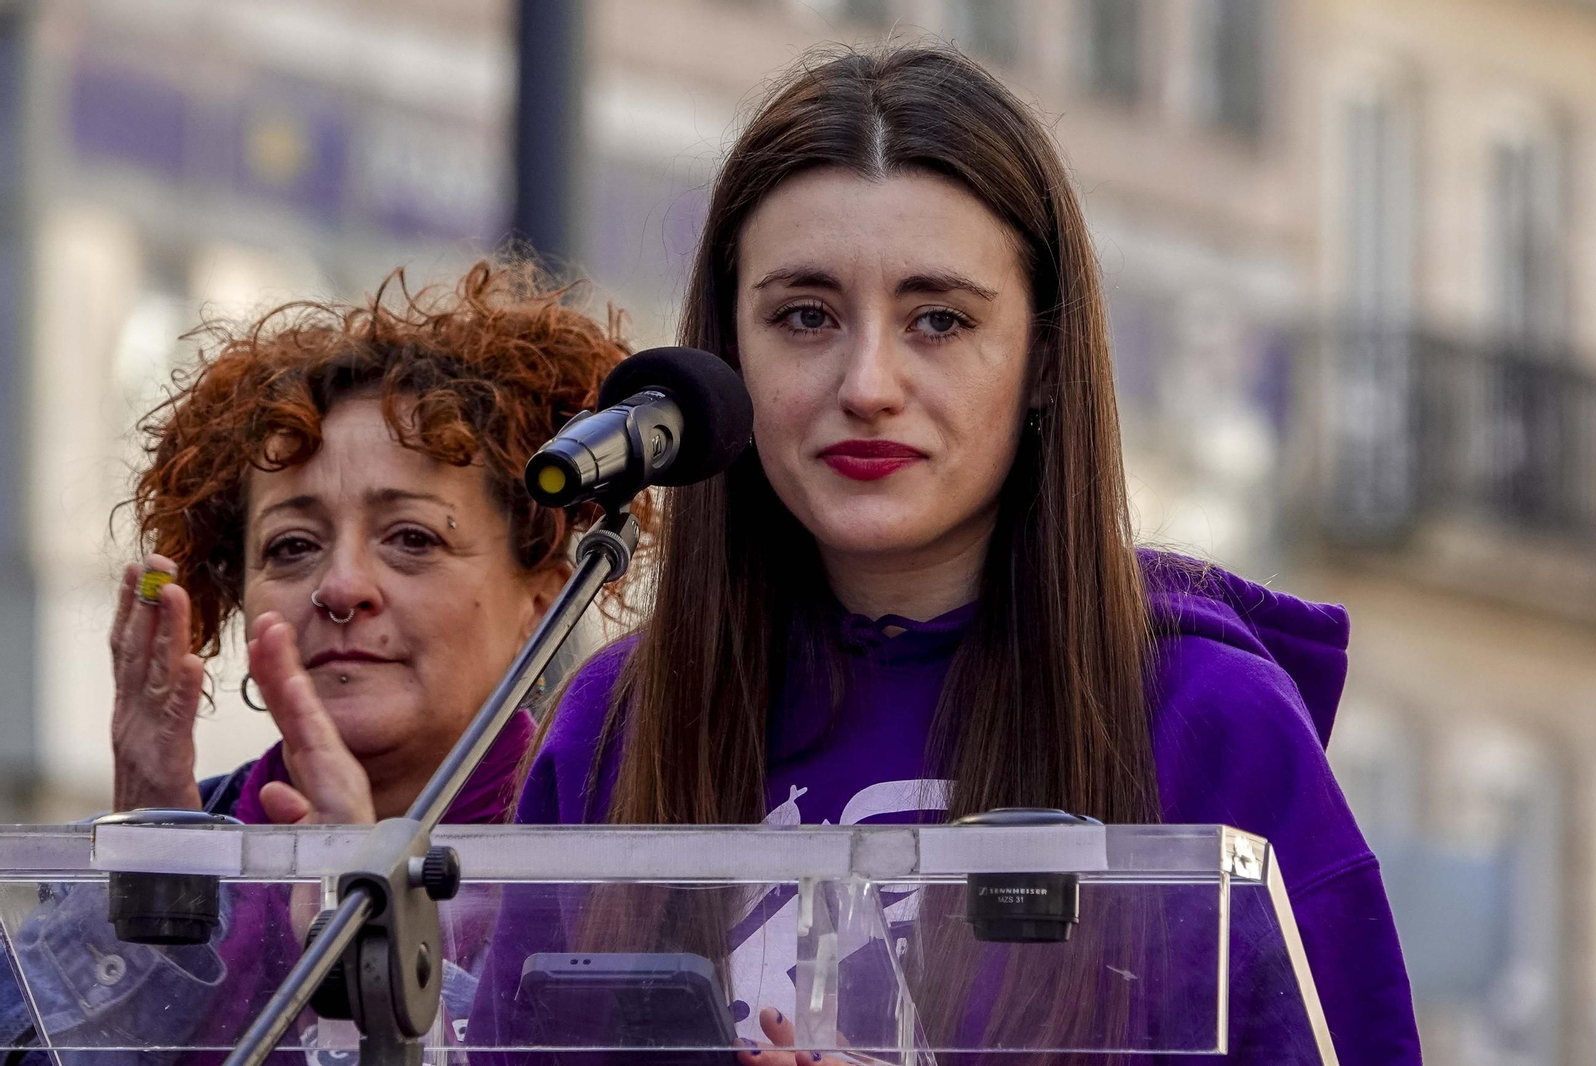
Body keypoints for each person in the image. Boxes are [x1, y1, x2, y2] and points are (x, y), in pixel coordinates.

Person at [470, 46, 1421, 1065]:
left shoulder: (1204, 718)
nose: (869, 381)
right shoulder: (619, 723)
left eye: (938, 319)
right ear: (729, 352)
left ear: (1045, 361)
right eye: (805, 316)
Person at [0, 261, 638, 1064]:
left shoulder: (614, 874)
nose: (341, 588)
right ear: (237, 596)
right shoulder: (172, 848)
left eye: (413, 538)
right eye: (293, 547)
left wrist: (377, 952)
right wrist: (151, 890)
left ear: (542, 598)